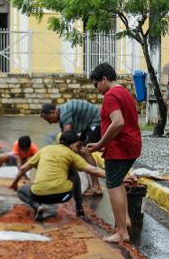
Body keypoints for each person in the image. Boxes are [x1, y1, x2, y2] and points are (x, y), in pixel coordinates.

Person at [86, 62, 142, 243]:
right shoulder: (124, 92)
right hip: (132, 145)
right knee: (118, 183)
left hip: (120, 148)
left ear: (104, 79)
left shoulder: (110, 95)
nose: (96, 89)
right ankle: (124, 221)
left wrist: (100, 144)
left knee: (114, 185)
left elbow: (117, 122)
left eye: (96, 84)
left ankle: (121, 232)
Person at [10, 130, 106, 221]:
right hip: (63, 196)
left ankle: (37, 205)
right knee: (74, 172)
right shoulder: (71, 155)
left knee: (22, 190)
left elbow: (22, 169)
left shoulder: (44, 150)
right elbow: (94, 170)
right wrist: (115, 178)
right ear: (71, 144)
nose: (78, 149)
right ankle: (79, 209)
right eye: (78, 145)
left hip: (39, 195)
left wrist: (14, 184)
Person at [39, 100, 104, 196]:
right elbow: (67, 139)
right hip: (88, 125)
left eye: (49, 119)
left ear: (53, 112)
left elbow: (67, 135)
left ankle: (96, 187)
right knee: (78, 150)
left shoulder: (64, 113)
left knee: (84, 151)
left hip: (96, 122)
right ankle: (89, 185)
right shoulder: (62, 116)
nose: (50, 123)